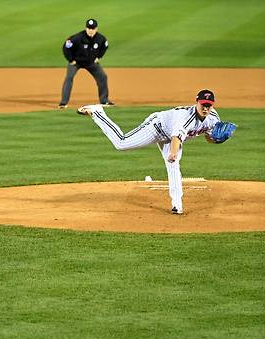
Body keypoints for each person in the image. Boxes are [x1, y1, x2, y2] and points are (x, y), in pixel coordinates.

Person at [76, 90, 222, 214]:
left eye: (209, 105)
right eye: (203, 105)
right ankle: (98, 112)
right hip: (156, 127)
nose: (205, 108)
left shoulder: (214, 118)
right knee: (121, 143)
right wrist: (173, 153)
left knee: (173, 165)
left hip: (171, 134)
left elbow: (209, 138)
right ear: (197, 102)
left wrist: (215, 139)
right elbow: (176, 137)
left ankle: (177, 205)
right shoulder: (185, 117)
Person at [58, 18, 113, 109]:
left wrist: (98, 57)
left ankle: (104, 100)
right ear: (86, 28)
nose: (91, 30)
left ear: (96, 29)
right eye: (89, 28)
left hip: (90, 63)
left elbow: (105, 46)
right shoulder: (77, 38)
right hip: (76, 62)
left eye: (93, 28)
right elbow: (66, 47)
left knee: (103, 76)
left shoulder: (101, 38)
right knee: (69, 77)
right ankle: (63, 103)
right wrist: (71, 60)